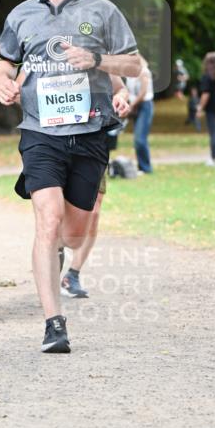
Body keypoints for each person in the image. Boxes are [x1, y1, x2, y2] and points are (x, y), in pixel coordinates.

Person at [0, 0, 141, 354]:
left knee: (73, 234)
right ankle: (53, 323)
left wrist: (97, 59)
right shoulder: (21, 15)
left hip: (90, 133)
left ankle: (60, 256)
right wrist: (4, 84)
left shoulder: (102, 11)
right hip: (40, 132)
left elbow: (132, 65)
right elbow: (4, 64)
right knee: (47, 219)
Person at [60, 79, 131, 299]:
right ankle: (55, 249)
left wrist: (121, 99)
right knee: (57, 212)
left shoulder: (105, 55)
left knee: (94, 211)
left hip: (94, 143)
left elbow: (121, 88)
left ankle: (72, 274)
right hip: (57, 141)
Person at [126, 56, 154, 174]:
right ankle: (142, 167)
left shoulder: (144, 72)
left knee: (140, 139)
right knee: (138, 138)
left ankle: (146, 167)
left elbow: (143, 93)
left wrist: (132, 106)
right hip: (135, 105)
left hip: (145, 106)